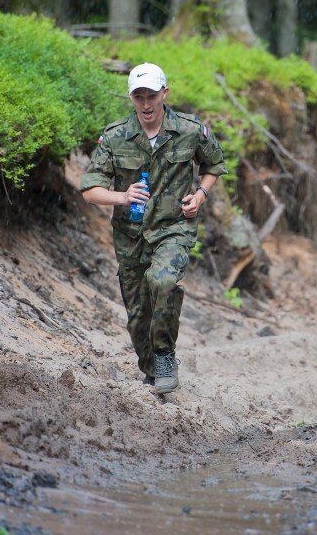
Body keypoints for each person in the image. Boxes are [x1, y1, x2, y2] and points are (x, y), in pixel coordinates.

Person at [80, 62, 227, 394]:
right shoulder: (116, 135)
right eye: (139, 97)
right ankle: (151, 368)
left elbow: (214, 165)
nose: (146, 105)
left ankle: (164, 358)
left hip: (173, 228)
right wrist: (122, 195)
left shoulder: (190, 130)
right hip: (130, 236)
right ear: (131, 97)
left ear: (165, 93)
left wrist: (201, 195)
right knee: (138, 313)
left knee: (162, 282)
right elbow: (89, 190)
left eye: (151, 96)